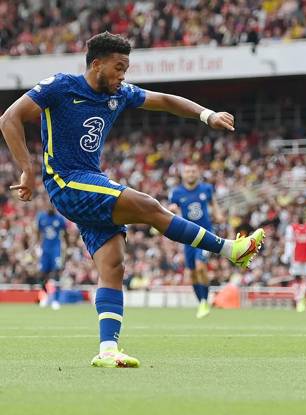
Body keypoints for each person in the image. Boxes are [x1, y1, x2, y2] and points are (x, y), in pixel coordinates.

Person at [0, 32, 265, 368]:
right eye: (118, 67)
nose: (123, 75)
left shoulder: (119, 95)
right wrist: (27, 170)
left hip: (89, 183)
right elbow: (9, 118)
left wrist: (207, 115)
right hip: (66, 182)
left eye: (126, 68)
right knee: (150, 207)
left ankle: (107, 350)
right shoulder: (60, 86)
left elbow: (166, 100)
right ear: (97, 65)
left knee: (113, 265)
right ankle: (230, 249)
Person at [168, 163, 224, 319]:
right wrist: (172, 210)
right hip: (188, 236)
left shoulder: (206, 188)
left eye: (193, 170)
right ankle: (202, 303)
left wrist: (218, 214)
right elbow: (173, 208)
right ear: (183, 174)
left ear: (197, 172)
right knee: (191, 273)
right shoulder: (177, 192)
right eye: (187, 171)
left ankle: (205, 300)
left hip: (206, 235)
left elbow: (213, 203)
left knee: (201, 267)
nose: (190, 173)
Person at [283, 205, 306, 312]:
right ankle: (299, 298)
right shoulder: (291, 228)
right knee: (297, 278)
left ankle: (301, 296)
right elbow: (289, 243)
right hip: (296, 258)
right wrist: (287, 255)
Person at [36, 204, 68, 310]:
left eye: (52, 207)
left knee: (56, 274)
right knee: (41, 276)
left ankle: (55, 300)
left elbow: (66, 233)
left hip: (56, 250)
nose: (50, 208)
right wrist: (37, 245)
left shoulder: (59, 219)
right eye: (48, 206)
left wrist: (68, 246)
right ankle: (45, 296)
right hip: (45, 250)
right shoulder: (41, 218)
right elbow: (38, 231)